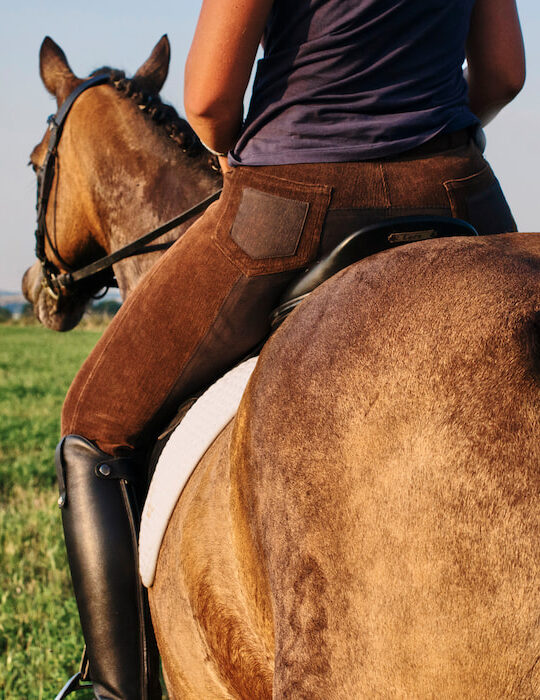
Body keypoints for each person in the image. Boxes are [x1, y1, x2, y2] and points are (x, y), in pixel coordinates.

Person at [55, 0, 525, 697]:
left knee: (91, 425)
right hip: (458, 190)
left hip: (293, 199)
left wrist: (239, 151)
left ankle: (117, 689)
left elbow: (211, 97)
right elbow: (503, 74)